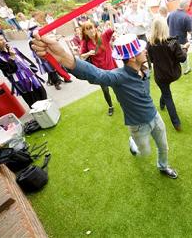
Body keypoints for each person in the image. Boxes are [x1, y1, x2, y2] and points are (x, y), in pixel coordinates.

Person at [31, 32, 179, 179]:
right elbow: (97, 75)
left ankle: (163, 166)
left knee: (163, 147)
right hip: (137, 125)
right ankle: (133, 142)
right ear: (133, 57)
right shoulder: (118, 76)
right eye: (141, 50)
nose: (145, 50)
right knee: (144, 152)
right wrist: (64, 56)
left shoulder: (145, 69)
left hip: (155, 117)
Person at [0, 30, 47, 108]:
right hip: (20, 81)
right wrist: (12, 57)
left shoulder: (13, 48)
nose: (4, 41)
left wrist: (32, 68)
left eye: (3, 39)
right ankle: (40, 114)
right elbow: (9, 70)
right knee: (32, 99)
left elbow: (24, 59)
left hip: (30, 76)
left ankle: (48, 110)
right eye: (0, 40)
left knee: (41, 93)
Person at [147, 18, 189, 131]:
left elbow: (151, 60)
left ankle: (174, 120)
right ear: (165, 28)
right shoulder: (171, 42)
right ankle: (174, 120)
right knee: (166, 94)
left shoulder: (151, 44)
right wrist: (185, 48)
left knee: (166, 93)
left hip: (161, 76)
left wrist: (182, 49)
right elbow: (183, 58)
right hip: (172, 74)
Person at [79, 20, 117, 116]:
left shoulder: (103, 36)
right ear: (85, 32)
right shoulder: (85, 43)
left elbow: (112, 28)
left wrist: (110, 12)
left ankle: (122, 100)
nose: (91, 30)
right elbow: (81, 56)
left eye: (91, 28)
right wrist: (88, 53)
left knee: (117, 86)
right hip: (99, 71)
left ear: (95, 28)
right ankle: (110, 106)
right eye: (87, 29)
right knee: (105, 90)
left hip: (111, 67)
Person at [167, 0, 192, 75]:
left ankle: (174, 69)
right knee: (183, 55)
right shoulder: (186, 16)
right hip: (181, 40)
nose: (189, 7)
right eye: (189, 6)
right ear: (185, 6)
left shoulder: (171, 14)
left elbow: (168, 24)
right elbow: (190, 31)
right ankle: (186, 69)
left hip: (171, 38)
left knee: (173, 55)